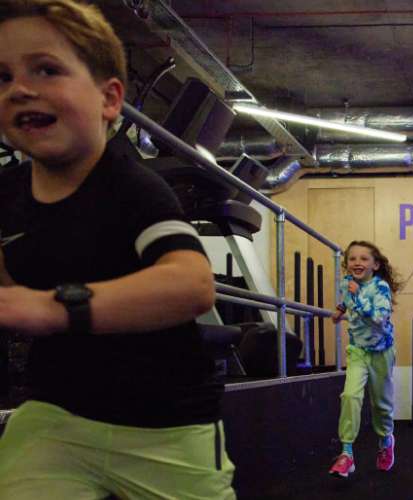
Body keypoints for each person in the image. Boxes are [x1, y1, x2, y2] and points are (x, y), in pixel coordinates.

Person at [0, 1, 236, 498]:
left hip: (166, 425)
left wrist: (51, 308)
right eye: (2, 77)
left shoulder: (134, 188)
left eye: (46, 69)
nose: (20, 88)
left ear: (109, 100)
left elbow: (192, 285)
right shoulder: (7, 195)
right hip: (57, 414)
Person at [328, 240, 403, 478]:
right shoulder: (347, 284)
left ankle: (385, 441)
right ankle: (347, 453)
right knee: (350, 395)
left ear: (375, 264)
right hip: (358, 350)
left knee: (381, 405)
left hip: (381, 351)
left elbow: (379, 318)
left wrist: (357, 298)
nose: (357, 263)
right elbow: (348, 300)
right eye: (352, 259)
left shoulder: (380, 287)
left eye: (363, 259)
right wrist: (341, 309)